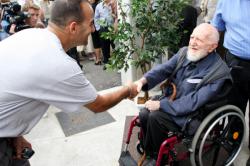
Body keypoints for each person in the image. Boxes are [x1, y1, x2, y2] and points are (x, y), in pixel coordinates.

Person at [0, 0, 138, 165]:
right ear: (73, 27)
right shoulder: (57, 62)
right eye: (91, 24)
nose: (93, 29)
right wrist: (128, 89)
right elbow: (98, 104)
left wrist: (15, 134)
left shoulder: (28, 35)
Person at [134, 23, 231, 164]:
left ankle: (158, 159)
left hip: (193, 114)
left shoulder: (218, 73)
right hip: (172, 100)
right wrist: (142, 81)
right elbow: (163, 69)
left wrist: (161, 104)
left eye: (199, 40)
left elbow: (194, 101)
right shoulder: (184, 52)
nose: (193, 42)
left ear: (212, 46)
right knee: (144, 113)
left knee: (155, 117)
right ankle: (150, 150)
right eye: (192, 37)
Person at [211, 0, 250, 163]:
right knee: (234, 107)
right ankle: (234, 143)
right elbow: (215, 28)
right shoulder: (226, 1)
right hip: (235, 61)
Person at [94, 0, 116, 70]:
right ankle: (107, 63)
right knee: (104, 47)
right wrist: (98, 28)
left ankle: (118, 63)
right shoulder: (99, 6)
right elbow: (96, 18)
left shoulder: (114, 3)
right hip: (103, 29)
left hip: (113, 28)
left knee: (115, 45)